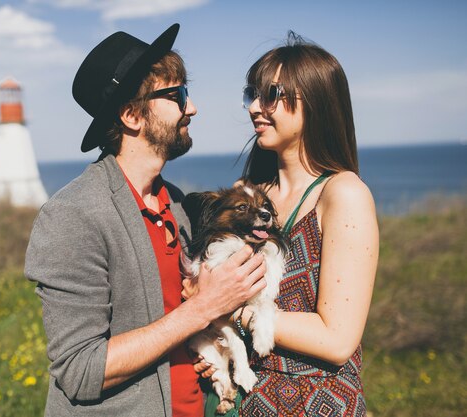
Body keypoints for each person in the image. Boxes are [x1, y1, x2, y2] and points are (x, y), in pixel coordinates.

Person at [24, 24, 267, 417]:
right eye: (177, 95)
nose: (192, 107)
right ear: (133, 115)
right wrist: (201, 309)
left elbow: (180, 322)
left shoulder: (181, 207)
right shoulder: (72, 217)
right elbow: (81, 370)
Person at [193, 32, 379, 416]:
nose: (255, 107)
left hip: (316, 405)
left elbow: (338, 339)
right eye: (252, 94)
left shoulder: (343, 194)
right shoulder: (254, 197)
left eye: (271, 95)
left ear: (315, 102)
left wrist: (227, 309)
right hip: (241, 402)